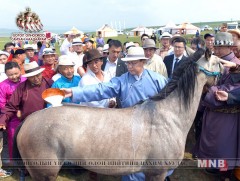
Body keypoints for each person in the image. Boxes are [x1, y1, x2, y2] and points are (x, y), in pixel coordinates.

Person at [61, 47, 168, 181]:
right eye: (128, 63)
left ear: (143, 62)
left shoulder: (158, 80)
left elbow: (169, 101)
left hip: (153, 128)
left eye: (133, 63)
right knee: (132, 161)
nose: (129, 66)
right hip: (130, 128)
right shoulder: (122, 80)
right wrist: (74, 92)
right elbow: (101, 89)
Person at [195, 32, 240, 179]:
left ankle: (224, 175)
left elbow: (228, 92)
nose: (218, 50)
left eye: (222, 47)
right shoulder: (213, 61)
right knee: (210, 146)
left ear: (230, 48)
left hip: (226, 117)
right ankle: (213, 170)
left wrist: (207, 90)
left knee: (224, 149)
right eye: (216, 47)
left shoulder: (235, 66)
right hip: (211, 113)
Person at [0, 61, 53, 130]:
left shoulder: (49, 83)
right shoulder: (21, 88)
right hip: (29, 123)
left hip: (49, 120)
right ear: (27, 77)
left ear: (41, 73)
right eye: (32, 77)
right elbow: (10, 107)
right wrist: (2, 121)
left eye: (38, 75)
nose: (36, 79)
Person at [0, 62, 26, 161]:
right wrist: (16, 111)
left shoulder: (26, 80)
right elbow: (2, 103)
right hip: (12, 118)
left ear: (20, 70)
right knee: (13, 139)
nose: (14, 76)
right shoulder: (3, 85)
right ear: (6, 74)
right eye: (10, 75)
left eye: (16, 73)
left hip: (28, 114)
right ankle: (14, 162)